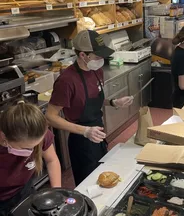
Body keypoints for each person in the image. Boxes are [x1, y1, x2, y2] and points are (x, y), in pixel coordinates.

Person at [46, 30, 133, 186]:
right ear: (83, 55)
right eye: (98, 56)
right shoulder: (66, 81)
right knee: (88, 184)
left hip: (98, 132)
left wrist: (114, 102)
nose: (101, 59)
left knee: (103, 175)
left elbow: (92, 98)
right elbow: (50, 116)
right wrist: (85, 131)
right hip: (80, 140)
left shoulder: (97, 71)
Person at [0, 101, 61, 216]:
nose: (31, 151)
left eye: (35, 146)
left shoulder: (37, 132)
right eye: (26, 148)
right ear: (4, 137)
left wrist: (57, 193)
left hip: (24, 192)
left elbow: (52, 160)